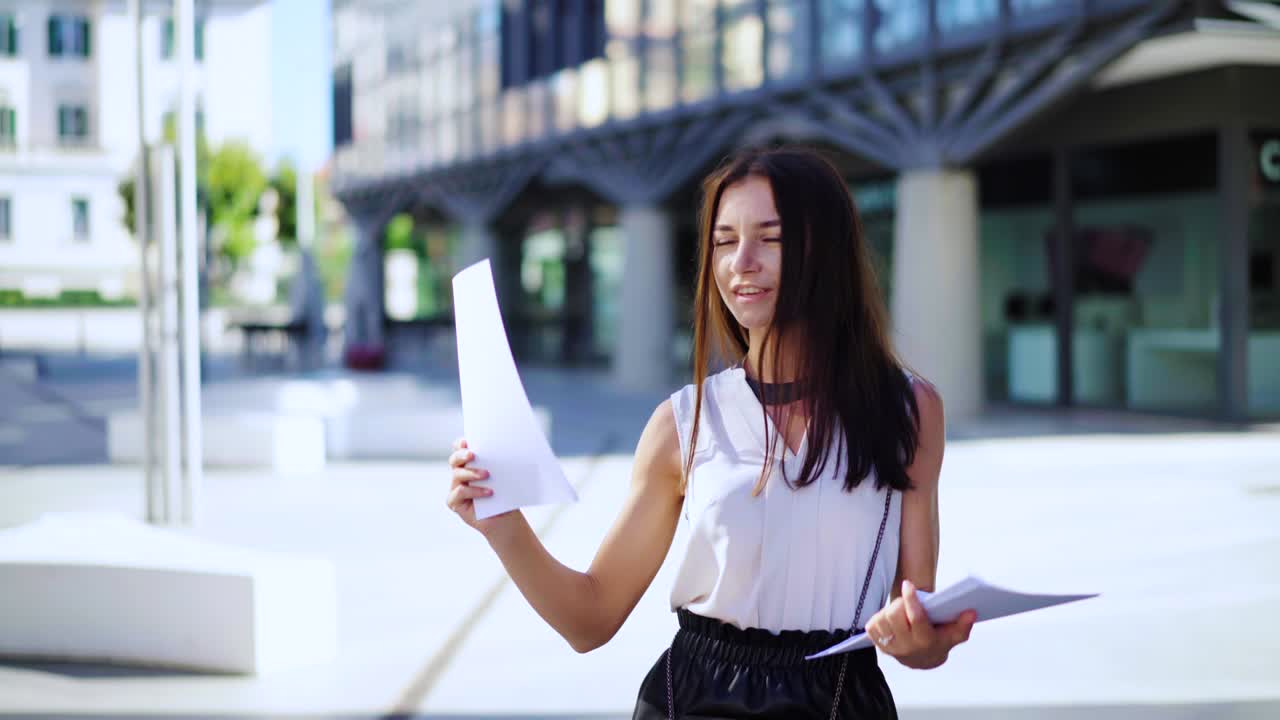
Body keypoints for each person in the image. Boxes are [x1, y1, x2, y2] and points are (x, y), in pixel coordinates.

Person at [446, 146, 976, 719]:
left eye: (770, 238)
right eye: (724, 242)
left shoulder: (910, 411)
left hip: (843, 699)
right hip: (693, 700)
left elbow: (918, 625)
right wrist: (502, 524)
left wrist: (923, 641)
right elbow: (589, 620)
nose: (741, 262)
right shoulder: (682, 423)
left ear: (825, 249)